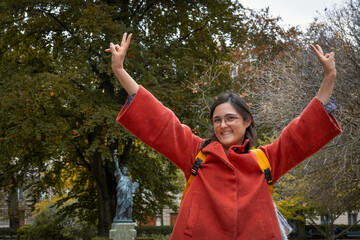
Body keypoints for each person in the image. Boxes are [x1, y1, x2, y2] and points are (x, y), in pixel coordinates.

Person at [106, 33, 342, 240]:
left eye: (231, 118)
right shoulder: (196, 153)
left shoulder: (266, 160)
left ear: (247, 121)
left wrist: (329, 76)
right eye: (217, 120)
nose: (223, 125)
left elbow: (301, 132)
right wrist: (119, 70)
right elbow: (160, 120)